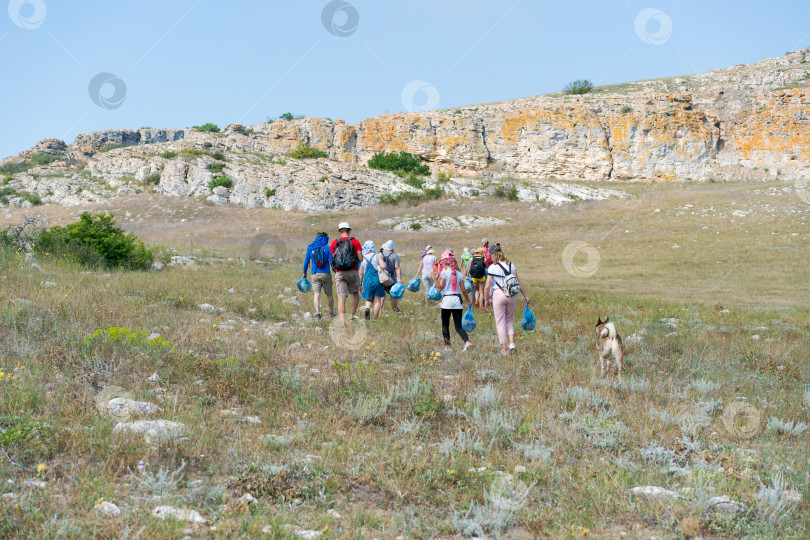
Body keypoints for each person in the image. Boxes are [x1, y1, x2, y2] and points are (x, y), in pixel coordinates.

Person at [485, 248, 530, 355]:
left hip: (498, 294)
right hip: (511, 294)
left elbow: (487, 286)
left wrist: (486, 300)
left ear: (493, 255)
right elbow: (518, 281)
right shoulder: (511, 265)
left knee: (500, 322)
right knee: (509, 320)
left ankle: (504, 349)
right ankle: (512, 344)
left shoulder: (492, 267)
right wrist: (525, 295)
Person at [431, 250, 473, 352]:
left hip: (447, 301)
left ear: (444, 262)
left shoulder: (444, 274)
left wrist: (434, 278)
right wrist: (468, 300)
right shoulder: (459, 274)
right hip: (457, 301)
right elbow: (463, 289)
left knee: (445, 325)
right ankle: (467, 342)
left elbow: (440, 288)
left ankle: (447, 346)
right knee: (458, 326)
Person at [330, 222, 363, 326]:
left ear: (339, 231)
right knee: (355, 293)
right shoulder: (355, 241)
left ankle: (343, 322)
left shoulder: (334, 242)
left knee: (341, 298)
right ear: (349, 231)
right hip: (352, 271)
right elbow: (360, 259)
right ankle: (352, 316)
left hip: (339, 272)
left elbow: (334, 258)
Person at [302, 232, 334, 320]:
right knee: (329, 294)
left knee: (316, 294)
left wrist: (304, 273)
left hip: (315, 274)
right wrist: (336, 272)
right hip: (326, 273)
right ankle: (331, 312)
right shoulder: (328, 248)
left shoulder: (310, 248)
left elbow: (306, 262)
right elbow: (331, 262)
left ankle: (318, 314)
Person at [359, 240, 385, 320]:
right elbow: (383, 266)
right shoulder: (377, 256)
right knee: (377, 300)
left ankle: (367, 309)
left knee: (368, 299)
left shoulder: (363, 258)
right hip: (377, 280)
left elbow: (361, 273)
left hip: (367, 281)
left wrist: (360, 284)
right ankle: (374, 319)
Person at [380, 240, 403, 313]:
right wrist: (400, 279)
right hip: (392, 279)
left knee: (382, 295)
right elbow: (397, 267)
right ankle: (395, 310)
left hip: (382, 278)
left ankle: (380, 310)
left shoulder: (380, 255)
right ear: (393, 248)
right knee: (393, 295)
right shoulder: (395, 256)